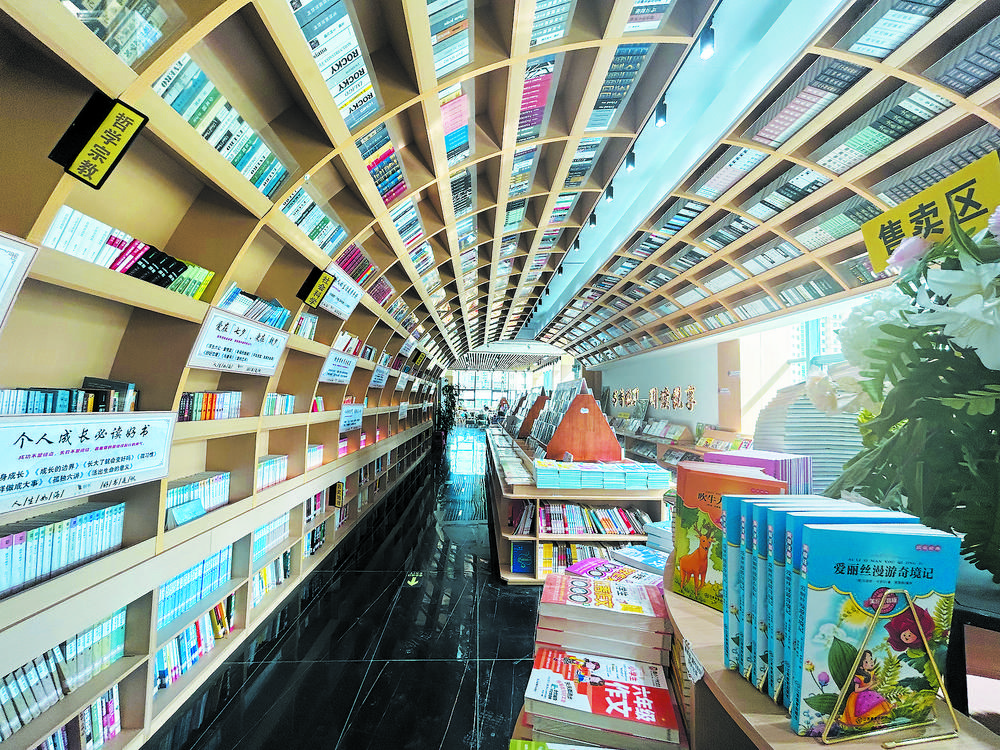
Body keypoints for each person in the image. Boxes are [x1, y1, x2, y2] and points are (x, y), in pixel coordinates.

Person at [840, 649, 893, 727]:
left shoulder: (871, 673)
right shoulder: (859, 677)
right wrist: (868, 686)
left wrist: (876, 684)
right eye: (866, 662)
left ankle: (879, 723)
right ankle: (874, 724)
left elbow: (870, 688)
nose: (871, 662)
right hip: (858, 697)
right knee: (867, 710)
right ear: (861, 666)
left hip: (868, 694)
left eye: (871, 659)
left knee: (878, 704)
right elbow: (856, 690)